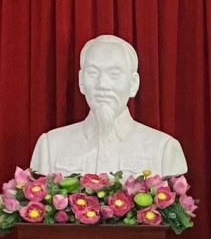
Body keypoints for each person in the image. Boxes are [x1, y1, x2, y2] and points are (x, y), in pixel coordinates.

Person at [29, 33, 187, 177]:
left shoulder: (164, 150)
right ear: (81, 81)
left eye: (114, 74)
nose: (102, 84)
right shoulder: (50, 147)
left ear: (133, 84)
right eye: (93, 73)